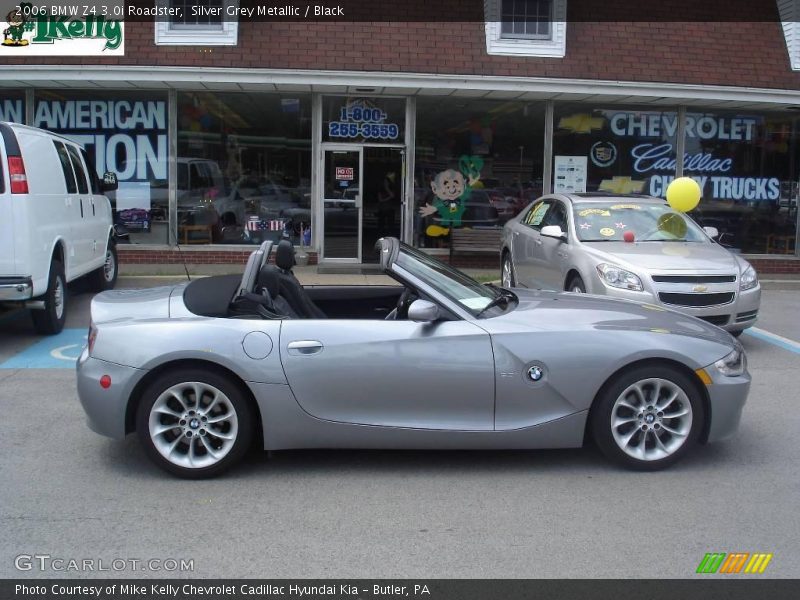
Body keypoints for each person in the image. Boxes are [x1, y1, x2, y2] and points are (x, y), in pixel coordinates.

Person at [376, 171, 398, 237]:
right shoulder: (380, 190)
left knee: (390, 225)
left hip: (390, 209)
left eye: (387, 182)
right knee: (381, 224)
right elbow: (380, 199)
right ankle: (381, 236)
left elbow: (393, 195)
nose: (386, 183)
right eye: (385, 182)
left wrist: (387, 188)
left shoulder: (391, 188)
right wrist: (388, 198)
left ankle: (390, 236)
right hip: (382, 209)